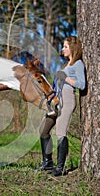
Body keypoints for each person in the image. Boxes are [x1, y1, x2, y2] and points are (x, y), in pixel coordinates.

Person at [36, 36, 86, 176]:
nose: (63, 49)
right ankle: (47, 163)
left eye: (65, 47)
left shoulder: (78, 64)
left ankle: (60, 168)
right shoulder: (67, 65)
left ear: (73, 49)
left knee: (60, 132)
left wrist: (66, 78)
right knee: (43, 130)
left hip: (68, 100)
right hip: (57, 101)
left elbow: (82, 85)